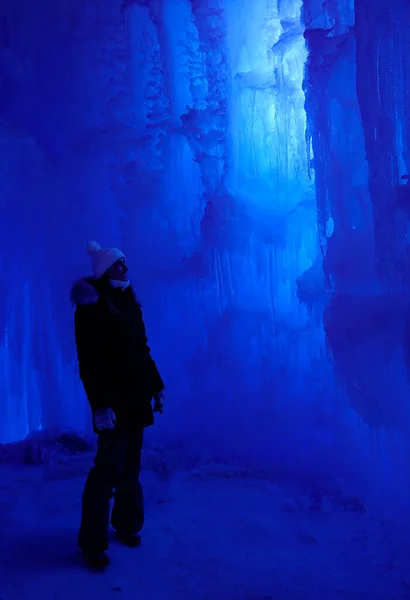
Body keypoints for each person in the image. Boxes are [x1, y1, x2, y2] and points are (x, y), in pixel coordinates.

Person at [70, 241, 165, 569]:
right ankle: (92, 543)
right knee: (107, 470)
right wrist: (99, 405)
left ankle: (126, 524)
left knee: (130, 467)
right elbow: (89, 362)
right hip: (112, 402)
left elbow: (142, 350)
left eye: (124, 263)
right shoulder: (91, 305)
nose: (125, 268)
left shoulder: (128, 300)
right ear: (105, 269)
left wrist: (157, 387)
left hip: (136, 397)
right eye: (119, 263)